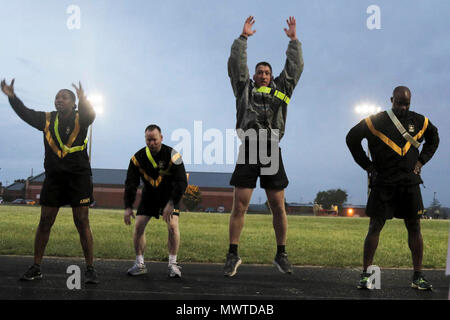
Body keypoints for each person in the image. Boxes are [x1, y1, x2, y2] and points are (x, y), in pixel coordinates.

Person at [224, 16, 304, 277]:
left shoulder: (282, 90)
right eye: (260, 72)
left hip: (270, 149)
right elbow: (237, 65)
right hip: (249, 148)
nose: (263, 75)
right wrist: (243, 38)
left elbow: (295, 68)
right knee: (240, 205)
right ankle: (232, 254)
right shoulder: (243, 89)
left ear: (271, 77)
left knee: (277, 205)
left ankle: (281, 255)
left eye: (267, 73)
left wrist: (293, 41)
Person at [1, 78, 99, 284]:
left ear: (73, 103)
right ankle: (36, 267)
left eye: (64, 97)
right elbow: (26, 113)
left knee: (82, 222)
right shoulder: (46, 119)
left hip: (78, 179)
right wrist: (12, 97)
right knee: (45, 222)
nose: (58, 100)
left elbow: (91, 115)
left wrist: (83, 99)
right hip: (54, 179)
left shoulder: (82, 118)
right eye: (56, 97)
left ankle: (90, 269)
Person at [346, 86, 439, 290]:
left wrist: (421, 161)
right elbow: (351, 138)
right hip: (383, 183)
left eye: (406, 104)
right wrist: (368, 166)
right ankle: (365, 275)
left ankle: (418, 276)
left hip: (409, 183)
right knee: (375, 227)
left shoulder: (420, 121)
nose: (403, 107)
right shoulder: (375, 120)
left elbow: (434, 138)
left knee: (415, 227)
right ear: (391, 100)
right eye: (399, 103)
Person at [124, 124, 187, 278]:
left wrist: (171, 203)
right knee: (138, 226)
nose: (151, 143)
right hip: (149, 196)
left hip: (169, 196)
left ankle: (173, 264)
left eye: (154, 140)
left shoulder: (173, 155)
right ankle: (139, 264)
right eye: (148, 140)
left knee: (173, 226)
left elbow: (182, 182)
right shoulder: (137, 158)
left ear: (161, 138)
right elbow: (131, 183)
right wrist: (128, 206)